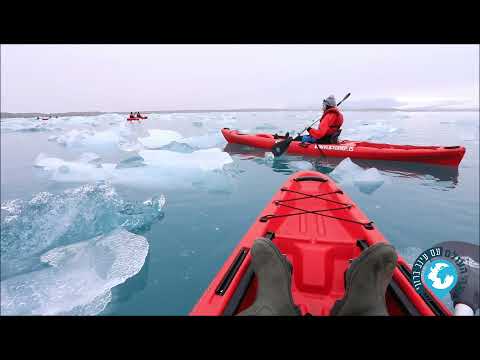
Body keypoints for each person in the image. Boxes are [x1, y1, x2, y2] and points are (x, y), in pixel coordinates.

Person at [237, 238, 478, 316]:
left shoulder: (330, 117)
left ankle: (273, 308)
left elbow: (323, 134)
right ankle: (363, 311)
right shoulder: (331, 117)